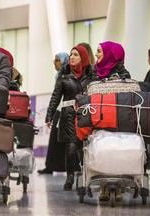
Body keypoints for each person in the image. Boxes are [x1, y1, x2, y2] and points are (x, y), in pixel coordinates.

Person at [45, 45, 93, 190]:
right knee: (71, 146)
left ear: (83, 58)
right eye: (71, 54)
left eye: (76, 55)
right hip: (68, 115)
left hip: (87, 115)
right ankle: (70, 176)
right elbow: (56, 96)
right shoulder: (64, 74)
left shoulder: (91, 75)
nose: (72, 57)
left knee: (84, 146)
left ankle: (84, 175)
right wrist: (49, 115)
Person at [94, 41, 131, 201]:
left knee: (117, 150)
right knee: (100, 150)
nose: (96, 55)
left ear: (110, 55)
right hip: (99, 118)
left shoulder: (124, 74)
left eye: (99, 52)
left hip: (119, 119)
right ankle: (103, 185)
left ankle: (119, 186)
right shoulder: (94, 72)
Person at [38, 52, 69, 174]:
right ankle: (51, 166)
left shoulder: (67, 75)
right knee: (54, 139)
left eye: (57, 60)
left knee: (65, 140)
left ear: (63, 61)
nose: (54, 63)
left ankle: (67, 167)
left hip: (66, 109)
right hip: (59, 109)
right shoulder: (58, 75)